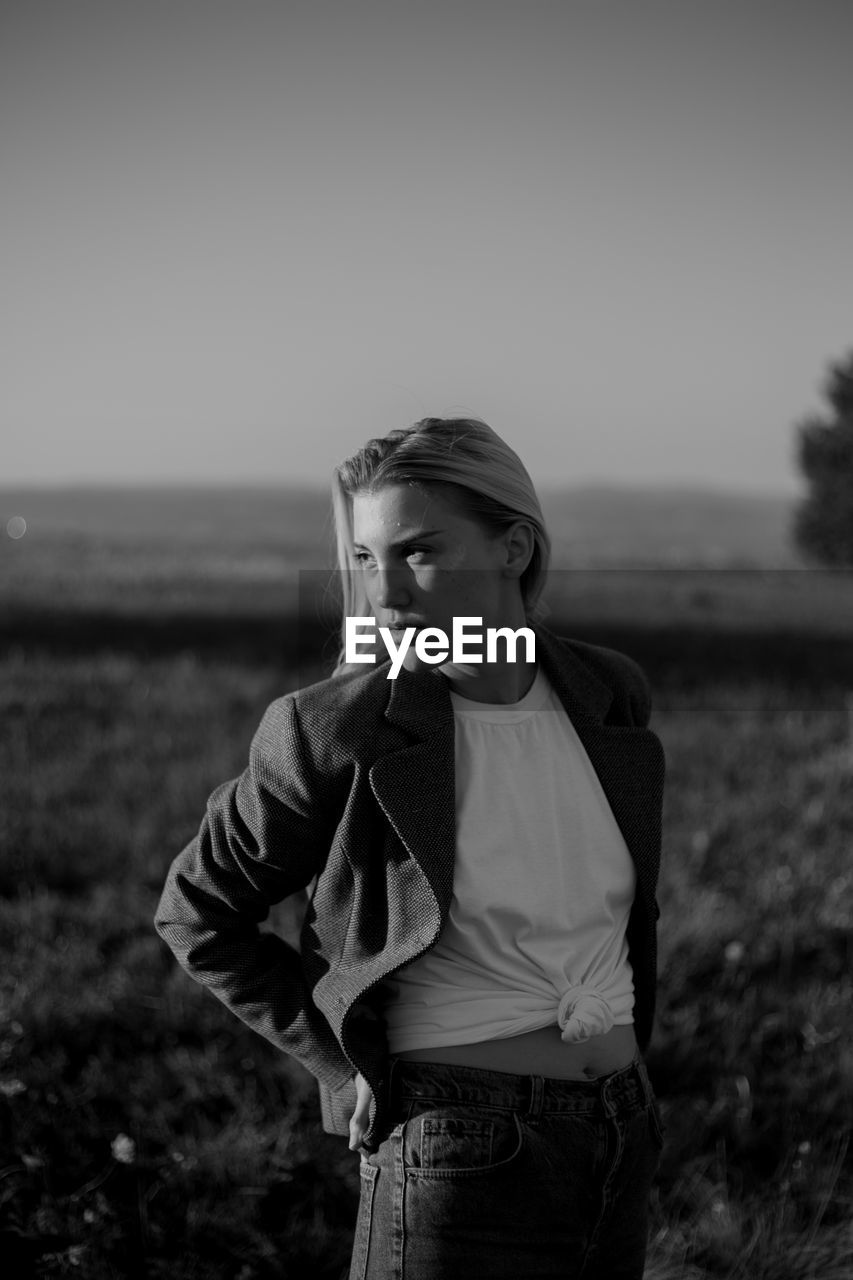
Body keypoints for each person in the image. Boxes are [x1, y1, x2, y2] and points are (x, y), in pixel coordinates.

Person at [154, 417, 666, 1280]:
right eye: (364, 556)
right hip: (455, 1149)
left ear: (514, 548)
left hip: (621, 1134)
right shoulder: (333, 728)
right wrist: (340, 1063)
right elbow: (197, 913)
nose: (383, 588)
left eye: (419, 551)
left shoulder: (604, 692)